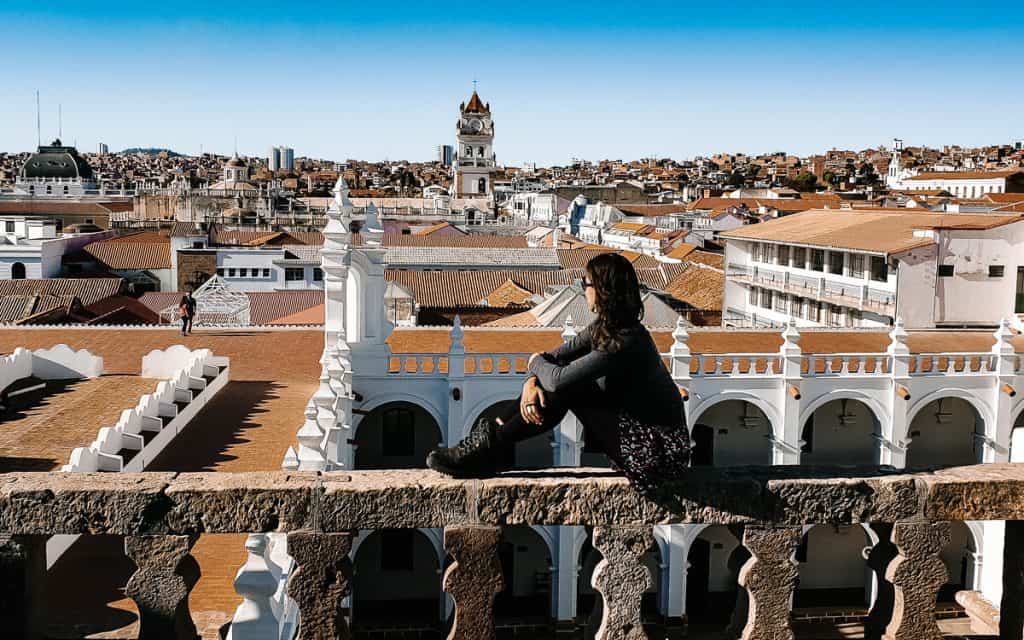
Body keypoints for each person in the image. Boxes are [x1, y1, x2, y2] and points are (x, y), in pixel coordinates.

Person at [427, 252, 690, 497]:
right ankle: (490, 446)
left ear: (602, 290)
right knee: (555, 381)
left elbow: (556, 377)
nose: (582, 289)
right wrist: (531, 382)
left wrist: (533, 361)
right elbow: (552, 359)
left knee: (569, 387)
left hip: (660, 455)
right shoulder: (605, 328)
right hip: (640, 442)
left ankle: (488, 450)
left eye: (585, 283)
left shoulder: (623, 341)